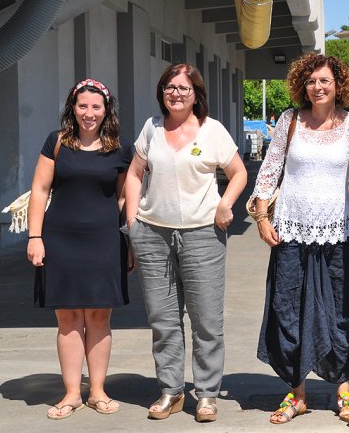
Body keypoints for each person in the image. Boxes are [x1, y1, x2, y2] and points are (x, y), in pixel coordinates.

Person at [249, 53, 349, 424]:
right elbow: (269, 173)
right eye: (311, 81)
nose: (318, 87)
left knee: (341, 311)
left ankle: (343, 390)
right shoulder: (289, 120)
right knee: (288, 310)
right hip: (290, 231)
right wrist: (260, 216)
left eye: (325, 81)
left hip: (338, 231)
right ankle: (297, 393)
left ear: (339, 86)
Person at [123, 63, 247, 423]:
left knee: (206, 319)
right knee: (163, 319)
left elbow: (238, 172)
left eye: (183, 88)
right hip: (152, 233)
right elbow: (134, 174)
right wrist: (132, 222)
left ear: (196, 94)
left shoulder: (212, 131)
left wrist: (225, 205)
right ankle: (171, 391)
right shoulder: (152, 129)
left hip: (202, 234)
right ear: (162, 92)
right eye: (169, 87)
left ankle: (206, 394)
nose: (175, 94)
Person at [26, 78, 133, 419]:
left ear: (106, 110)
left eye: (96, 107)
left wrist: (128, 239)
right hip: (61, 239)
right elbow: (40, 190)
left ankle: (98, 390)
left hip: (104, 240)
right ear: (73, 108)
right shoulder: (56, 143)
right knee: (68, 317)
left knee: (100, 315)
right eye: (82, 106)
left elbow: (125, 196)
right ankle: (72, 392)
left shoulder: (119, 148)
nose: (89, 113)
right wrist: (34, 237)